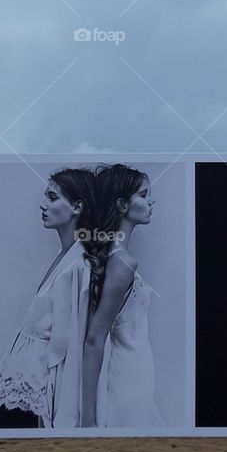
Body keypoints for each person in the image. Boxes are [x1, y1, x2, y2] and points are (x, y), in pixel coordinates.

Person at [0, 167, 94, 429]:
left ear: (78, 206)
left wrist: (63, 413)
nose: (42, 204)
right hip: (20, 379)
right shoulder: (64, 256)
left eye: (52, 197)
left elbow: (70, 345)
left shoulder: (79, 265)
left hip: (35, 386)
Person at [81, 163, 163, 429]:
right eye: (143, 194)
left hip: (135, 374)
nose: (151, 201)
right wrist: (88, 418)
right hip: (127, 380)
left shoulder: (116, 260)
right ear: (122, 204)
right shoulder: (123, 263)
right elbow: (94, 339)